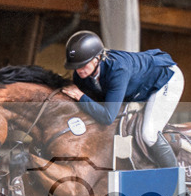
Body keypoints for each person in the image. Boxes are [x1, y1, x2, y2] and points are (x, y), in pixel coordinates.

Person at [60, 30, 183, 168]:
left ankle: (178, 182)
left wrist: (79, 96)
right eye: (75, 67)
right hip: (140, 85)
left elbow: (107, 117)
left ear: (97, 58)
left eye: (83, 65)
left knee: (149, 134)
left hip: (165, 79)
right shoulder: (81, 75)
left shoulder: (118, 70)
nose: (79, 70)